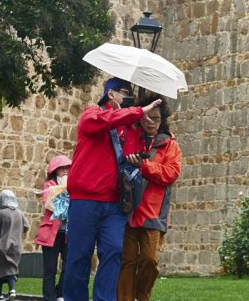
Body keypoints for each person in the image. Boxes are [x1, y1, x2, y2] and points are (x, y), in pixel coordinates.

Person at [63, 77, 162, 301]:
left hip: (115, 203)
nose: (129, 98)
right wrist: (137, 111)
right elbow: (105, 121)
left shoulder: (130, 128)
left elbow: (135, 155)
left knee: (113, 254)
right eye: (125, 93)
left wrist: (143, 131)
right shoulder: (92, 114)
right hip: (85, 200)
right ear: (111, 94)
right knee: (79, 257)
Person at [118, 99, 182, 301]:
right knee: (127, 260)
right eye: (146, 116)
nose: (150, 121)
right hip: (129, 209)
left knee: (149, 259)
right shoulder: (131, 138)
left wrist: (145, 167)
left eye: (155, 118)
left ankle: (141, 295)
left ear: (162, 120)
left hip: (153, 212)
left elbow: (171, 173)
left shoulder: (170, 145)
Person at [35, 154, 72, 301]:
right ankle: (49, 297)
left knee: (68, 266)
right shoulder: (49, 185)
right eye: (61, 168)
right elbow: (49, 203)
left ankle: (60, 292)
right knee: (50, 268)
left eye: (67, 168)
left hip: (68, 233)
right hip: (51, 233)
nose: (64, 171)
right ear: (55, 170)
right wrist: (64, 189)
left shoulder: (75, 184)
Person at [0, 190, 29, 301]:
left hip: (0, 246)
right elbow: (26, 227)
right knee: (11, 268)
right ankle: (12, 290)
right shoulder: (19, 213)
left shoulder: (1, 213)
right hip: (15, 246)